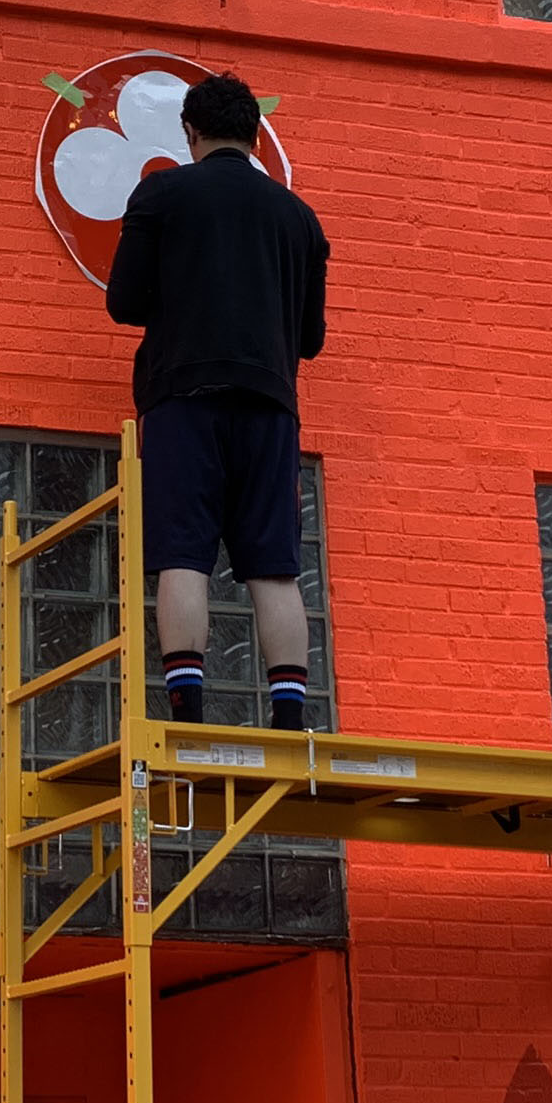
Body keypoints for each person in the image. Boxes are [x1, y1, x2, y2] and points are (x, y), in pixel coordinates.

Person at [105, 72, 330, 731]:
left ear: (190, 131)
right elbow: (309, 340)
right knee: (275, 567)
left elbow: (123, 302)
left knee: (181, 553)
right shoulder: (300, 219)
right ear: (256, 135)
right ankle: (289, 721)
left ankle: (187, 712)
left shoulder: (163, 194)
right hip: (270, 405)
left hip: (185, 397)